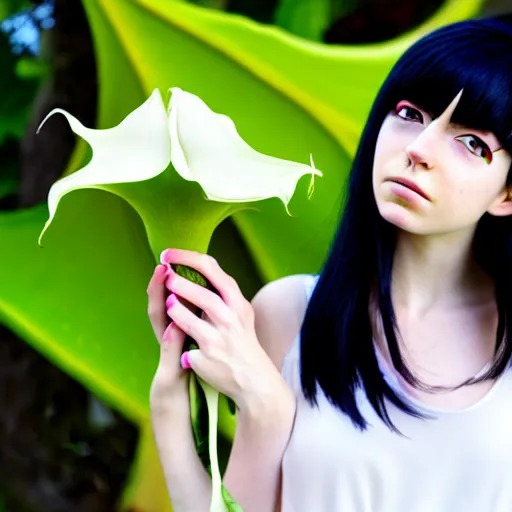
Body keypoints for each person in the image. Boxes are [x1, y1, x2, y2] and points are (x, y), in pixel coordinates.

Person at [146, 15, 512, 512]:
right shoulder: (289, 313)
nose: (419, 149)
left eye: (472, 143)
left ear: (508, 194)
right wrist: (182, 404)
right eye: (409, 113)